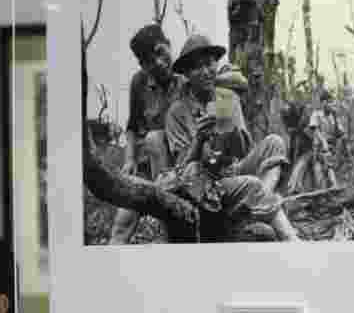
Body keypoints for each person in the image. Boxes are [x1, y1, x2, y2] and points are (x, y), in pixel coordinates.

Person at [161, 34, 301, 241]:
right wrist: (199, 140)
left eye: (210, 64)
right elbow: (184, 169)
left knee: (275, 142)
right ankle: (279, 225)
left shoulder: (228, 98)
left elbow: (243, 151)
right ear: (188, 74)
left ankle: (255, 208)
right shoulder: (177, 112)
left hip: (231, 170)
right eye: (197, 67)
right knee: (251, 183)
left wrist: (231, 133)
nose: (206, 72)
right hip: (205, 183)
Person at [108, 24, 184, 244]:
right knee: (121, 225)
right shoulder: (139, 82)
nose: (158, 63)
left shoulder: (186, 76)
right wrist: (129, 159)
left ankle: (169, 230)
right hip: (146, 164)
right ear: (143, 65)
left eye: (160, 52)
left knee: (172, 226)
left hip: (178, 165)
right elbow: (132, 126)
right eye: (149, 61)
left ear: (169, 45)